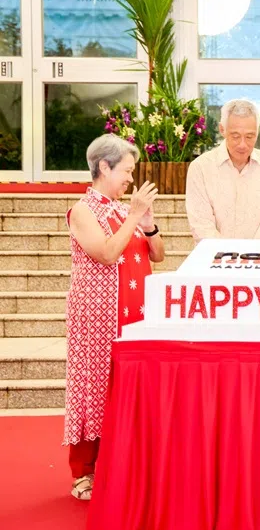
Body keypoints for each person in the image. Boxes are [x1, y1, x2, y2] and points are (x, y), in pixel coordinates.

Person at [64, 135, 166, 500]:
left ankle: (125, 464)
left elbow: (158, 255)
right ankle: (85, 472)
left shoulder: (126, 210)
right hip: (98, 316)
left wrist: (148, 224)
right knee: (95, 387)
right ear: (104, 167)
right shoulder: (83, 210)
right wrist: (135, 215)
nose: (130, 178)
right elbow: (106, 253)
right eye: (126, 170)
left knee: (130, 388)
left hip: (136, 315)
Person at [185, 98, 260, 242]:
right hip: (213, 254)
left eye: (249, 137)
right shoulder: (200, 168)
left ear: (257, 132)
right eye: (235, 136)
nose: (242, 145)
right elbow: (201, 224)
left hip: (259, 253)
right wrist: (229, 252)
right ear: (222, 130)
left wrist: (250, 251)